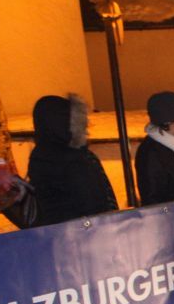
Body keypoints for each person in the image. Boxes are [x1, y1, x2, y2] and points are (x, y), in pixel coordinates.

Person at [27, 94, 118, 227]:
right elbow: (88, 201)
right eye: (77, 122)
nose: (85, 127)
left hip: (88, 230)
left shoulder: (74, 154)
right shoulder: (60, 159)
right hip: (77, 235)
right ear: (61, 123)